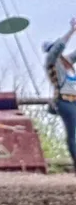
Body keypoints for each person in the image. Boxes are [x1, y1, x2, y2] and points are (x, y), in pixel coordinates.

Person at [44, 16, 76, 171]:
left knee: (73, 133)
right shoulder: (51, 61)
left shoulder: (65, 62)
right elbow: (59, 48)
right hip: (64, 101)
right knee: (72, 134)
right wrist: (71, 31)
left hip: (73, 100)